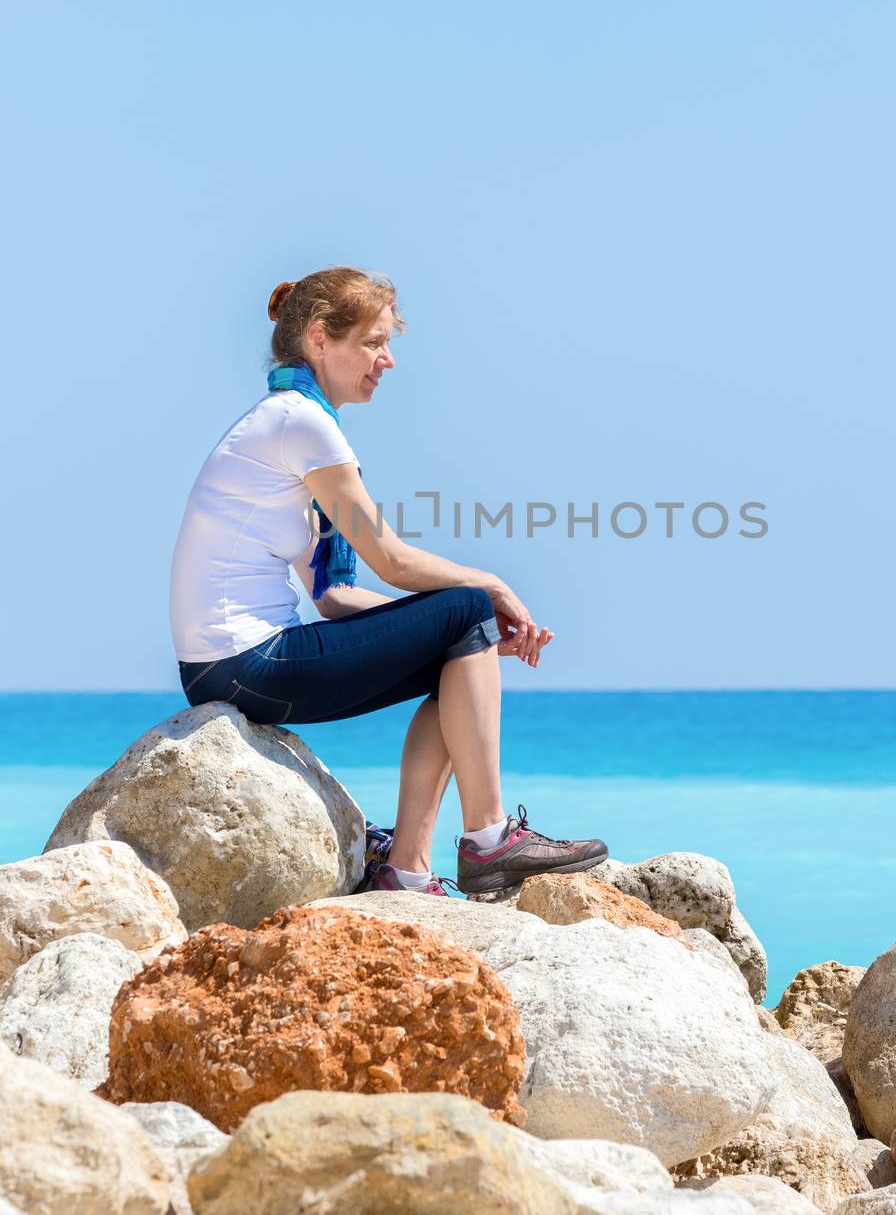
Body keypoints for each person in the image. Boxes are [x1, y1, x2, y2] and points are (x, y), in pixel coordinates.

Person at [170, 265, 608, 897]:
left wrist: (467, 643)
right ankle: (489, 843)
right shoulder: (300, 423)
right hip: (248, 661)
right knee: (463, 610)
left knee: (457, 648)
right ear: (320, 338)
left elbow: (334, 595)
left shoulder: (289, 419)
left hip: (226, 666)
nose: (388, 360)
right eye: (374, 343)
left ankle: (406, 869)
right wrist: (491, 588)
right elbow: (392, 562)